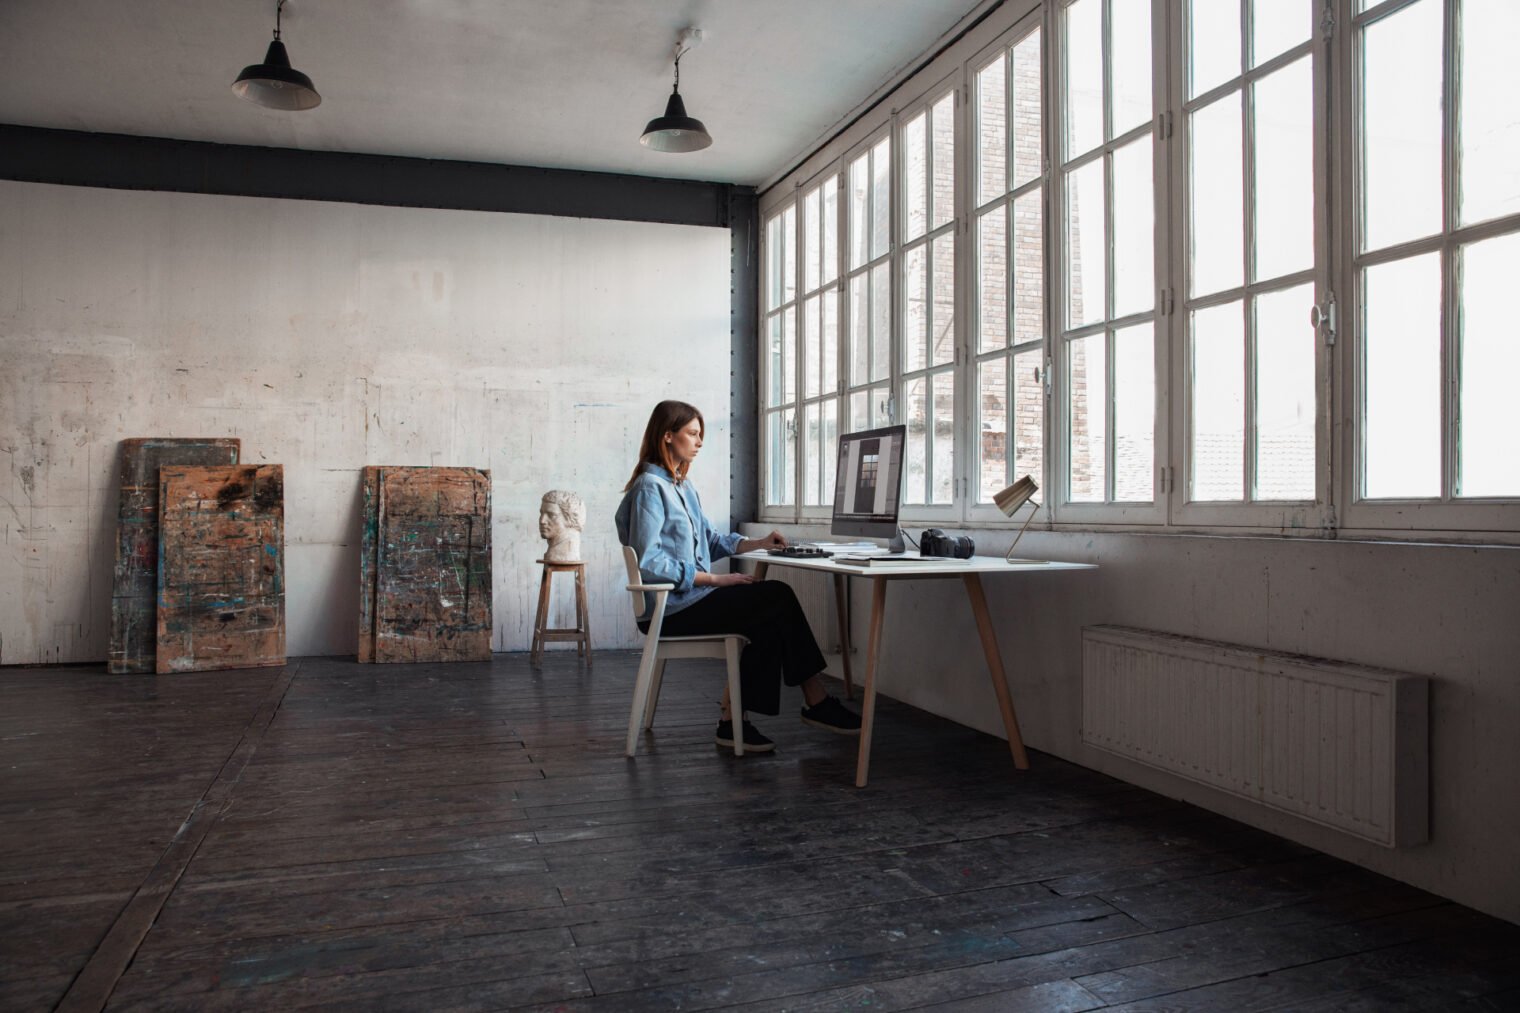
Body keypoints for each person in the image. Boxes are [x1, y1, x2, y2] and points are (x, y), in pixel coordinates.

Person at [615, 399, 860, 753]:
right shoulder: (650, 489)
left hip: (689, 600)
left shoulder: (682, 486)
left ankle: (734, 724)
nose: (699, 442)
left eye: (701, 434)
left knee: (767, 615)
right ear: (667, 437)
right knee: (775, 597)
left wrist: (759, 542)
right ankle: (815, 702)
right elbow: (650, 562)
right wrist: (715, 580)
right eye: (692, 434)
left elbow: (711, 541)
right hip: (670, 610)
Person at [538, 489, 585, 562]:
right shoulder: (552, 549)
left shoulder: (569, 550)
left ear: (569, 519)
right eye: (541, 513)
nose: (542, 521)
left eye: (551, 515)